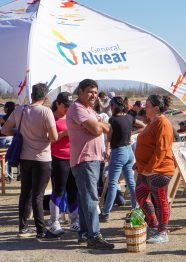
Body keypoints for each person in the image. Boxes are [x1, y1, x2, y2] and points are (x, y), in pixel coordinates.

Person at [2, 83, 59, 240]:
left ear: (32, 95)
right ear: (45, 97)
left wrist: (21, 133)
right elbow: (54, 138)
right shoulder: (46, 111)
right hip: (42, 158)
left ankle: (23, 227)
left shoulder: (20, 110)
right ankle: (41, 230)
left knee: (25, 193)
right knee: (38, 196)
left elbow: (5, 130)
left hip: (24, 157)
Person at [67, 79, 113, 249]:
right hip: (84, 160)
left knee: (85, 198)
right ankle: (94, 236)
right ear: (80, 92)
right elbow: (97, 130)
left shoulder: (89, 110)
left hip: (92, 159)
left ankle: (85, 233)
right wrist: (101, 125)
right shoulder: (77, 108)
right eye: (89, 92)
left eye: (95, 92)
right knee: (91, 198)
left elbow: (104, 127)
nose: (93, 95)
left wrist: (99, 124)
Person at [134, 95, 175, 244]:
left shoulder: (162, 122)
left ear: (156, 108)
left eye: (148, 105)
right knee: (140, 194)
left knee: (161, 200)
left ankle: (163, 232)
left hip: (159, 170)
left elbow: (161, 149)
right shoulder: (153, 122)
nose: (145, 108)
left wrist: (149, 167)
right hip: (146, 169)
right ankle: (154, 225)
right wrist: (140, 165)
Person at [99, 97, 146, 222]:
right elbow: (144, 126)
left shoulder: (113, 119)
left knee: (113, 183)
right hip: (129, 152)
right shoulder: (130, 118)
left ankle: (105, 213)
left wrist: (108, 149)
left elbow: (109, 136)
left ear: (114, 106)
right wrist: (132, 133)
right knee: (130, 182)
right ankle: (136, 208)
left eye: (111, 105)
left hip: (118, 152)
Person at [48, 92, 80, 235]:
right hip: (58, 158)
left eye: (70, 106)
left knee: (73, 190)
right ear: (57, 104)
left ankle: (74, 221)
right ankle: (54, 221)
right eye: (65, 106)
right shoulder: (51, 118)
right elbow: (48, 139)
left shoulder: (71, 116)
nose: (68, 109)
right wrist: (63, 134)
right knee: (59, 190)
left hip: (73, 158)